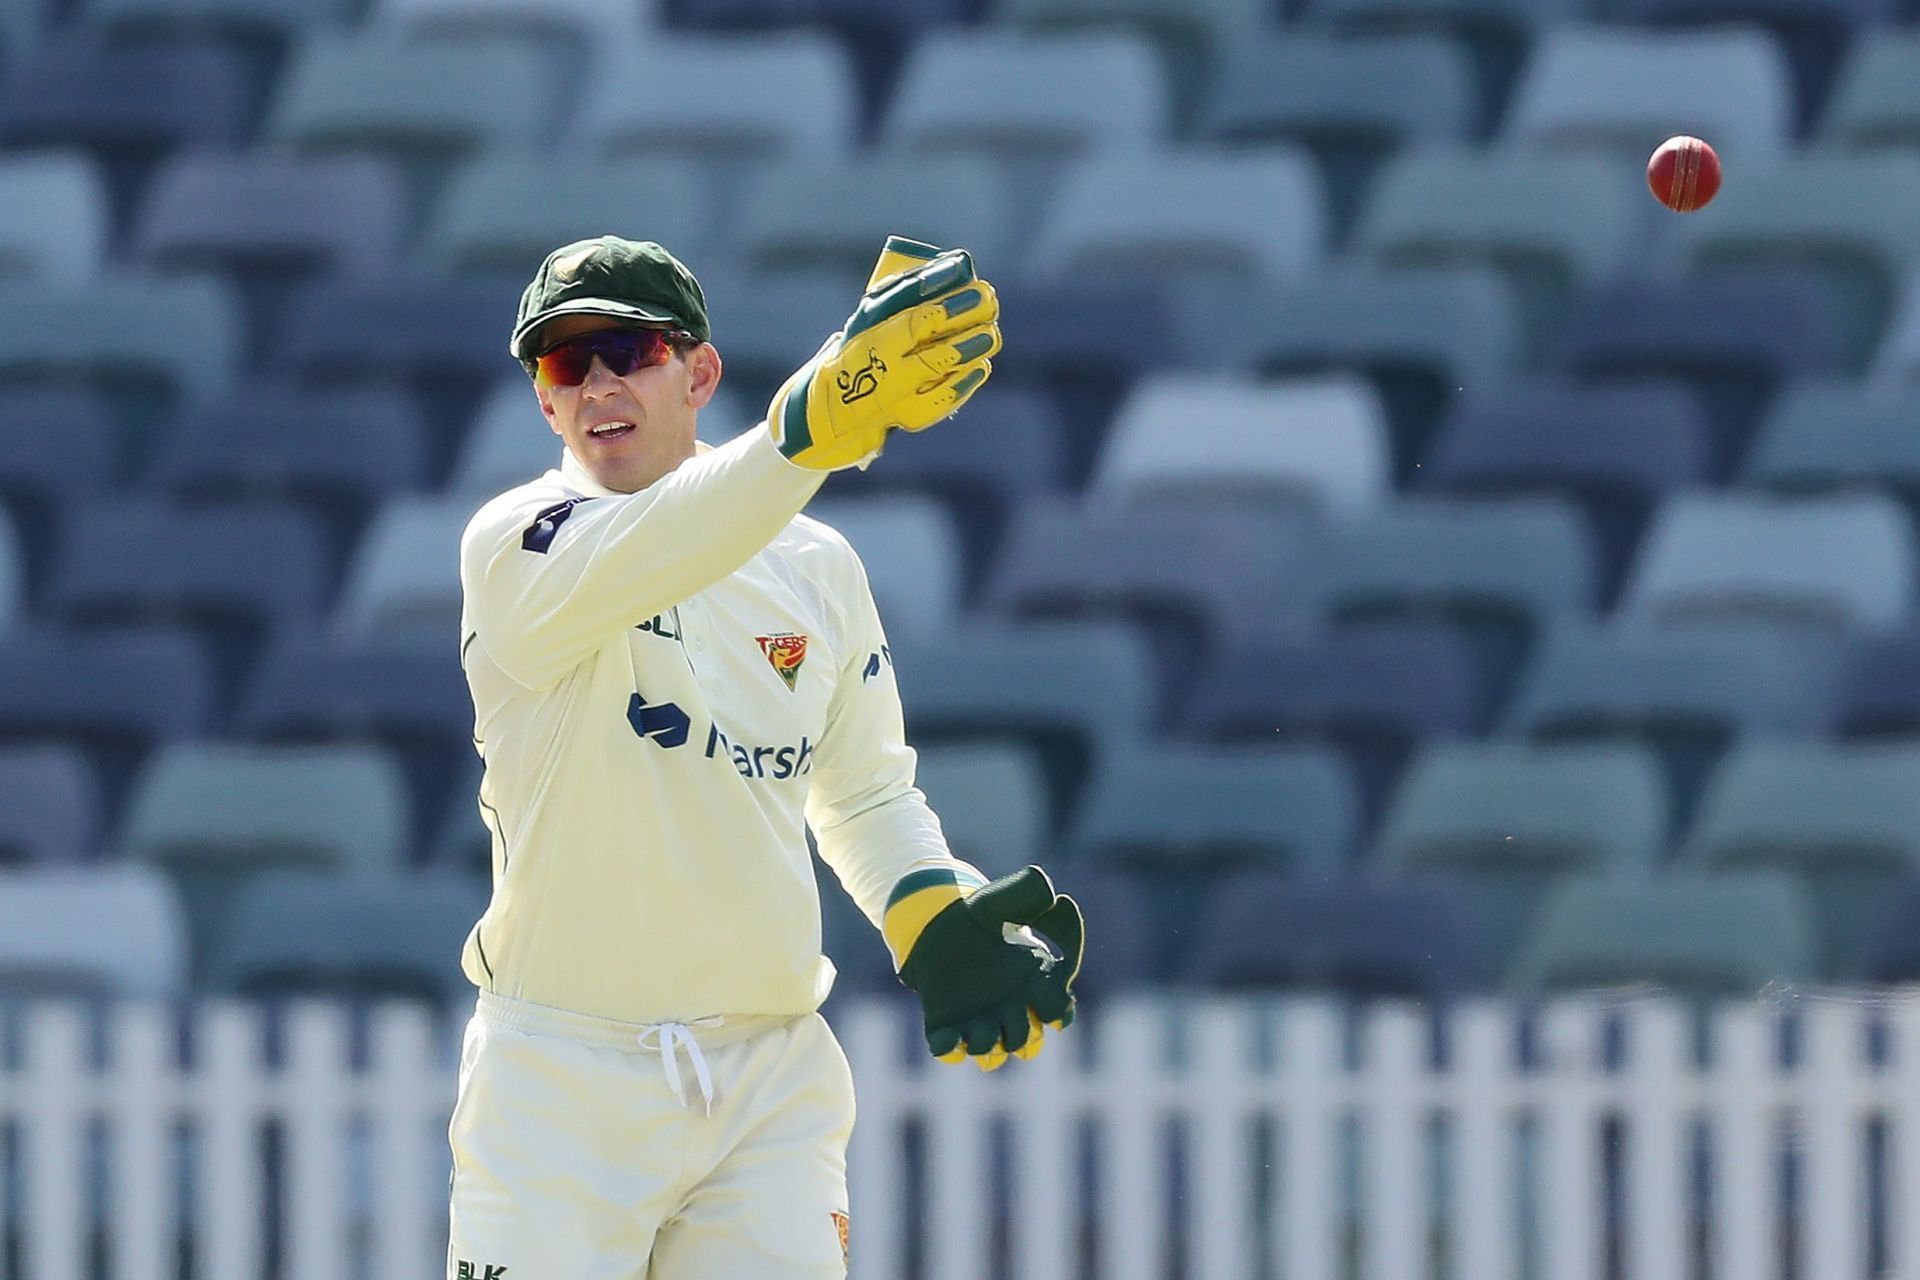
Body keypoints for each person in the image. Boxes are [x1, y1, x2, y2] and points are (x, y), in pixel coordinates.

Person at [446, 233, 1085, 1279]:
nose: (600, 381)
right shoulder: (519, 544)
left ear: (699, 373)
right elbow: (685, 530)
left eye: (629, 349)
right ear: (546, 403)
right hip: (558, 1084)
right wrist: (819, 422)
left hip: (766, 1086)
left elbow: (867, 790)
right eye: (567, 363)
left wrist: (926, 912)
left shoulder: (816, 566)